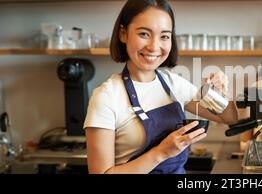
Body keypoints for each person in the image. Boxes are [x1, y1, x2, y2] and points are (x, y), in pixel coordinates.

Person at [84, 0, 238, 174]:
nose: (154, 47)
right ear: (123, 34)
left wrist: (219, 92)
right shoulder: (106, 97)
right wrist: (160, 153)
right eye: (144, 34)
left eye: (164, 36)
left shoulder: (174, 84)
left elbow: (229, 118)